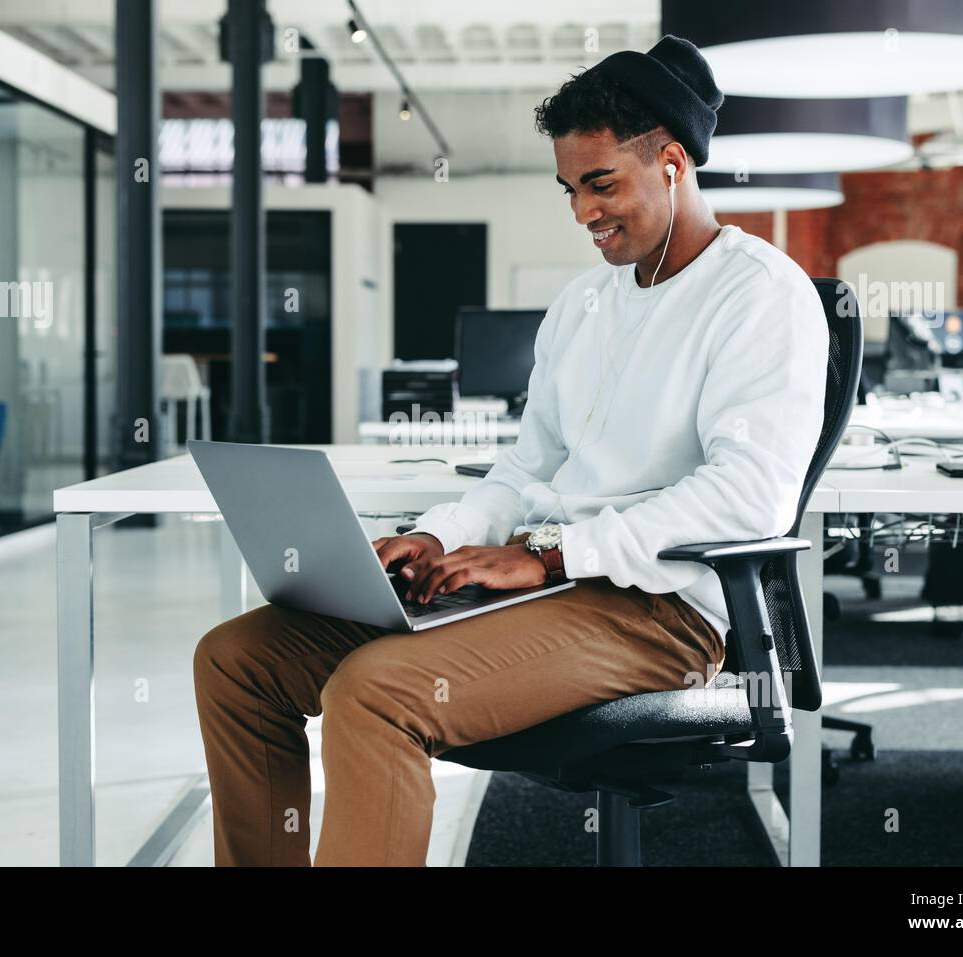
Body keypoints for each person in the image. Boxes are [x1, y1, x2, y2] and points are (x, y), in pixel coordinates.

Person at [192, 35, 828, 866]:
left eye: (601, 184)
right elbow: (526, 471)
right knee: (239, 659)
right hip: (545, 589)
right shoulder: (583, 305)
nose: (582, 213)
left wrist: (556, 554)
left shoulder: (759, 296)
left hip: (658, 612)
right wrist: (440, 536)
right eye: (569, 189)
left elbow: (749, 497)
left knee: (376, 690)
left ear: (671, 162)